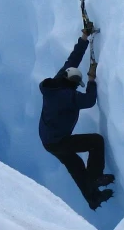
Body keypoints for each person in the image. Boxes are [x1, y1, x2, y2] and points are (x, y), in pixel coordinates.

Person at [39, 29, 114, 210]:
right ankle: (95, 178)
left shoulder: (57, 82)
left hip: (48, 140)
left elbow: (72, 60)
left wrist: (84, 38)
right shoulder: (66, 97)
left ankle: (93, 198)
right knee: (96, 142)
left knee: (76, 166)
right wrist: (91, 79)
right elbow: (88, 100)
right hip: (58, 140)